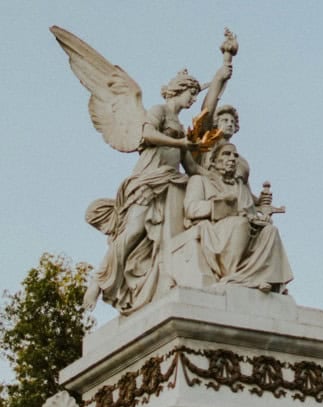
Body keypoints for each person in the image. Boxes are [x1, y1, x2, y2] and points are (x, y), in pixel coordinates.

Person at [84, 66, 232, 313]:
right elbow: (147, 134)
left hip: (171, 184)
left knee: (171, 238)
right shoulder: (159, 111)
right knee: (133, 231)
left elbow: (192, 167)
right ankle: (98, 280)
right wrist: (178, 142)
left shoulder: (183, 128)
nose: (193, 99)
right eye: (191, 93)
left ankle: (166, 282)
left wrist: (218, 179)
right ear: (179, 90)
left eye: (196, 94)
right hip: (148, 181)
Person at [184, 143, 293, 292]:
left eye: (235, 155)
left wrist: (259, 219)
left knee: (270, 231)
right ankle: (233, 276)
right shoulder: (200, 180)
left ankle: (259, 278)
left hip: (245, 229)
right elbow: (191, 209)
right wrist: (220, 206)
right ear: (213, 161)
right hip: (216, 229)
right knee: (240, 224)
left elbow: (249, 213)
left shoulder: (240, 187)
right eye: (226, 154)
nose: (232, 158)